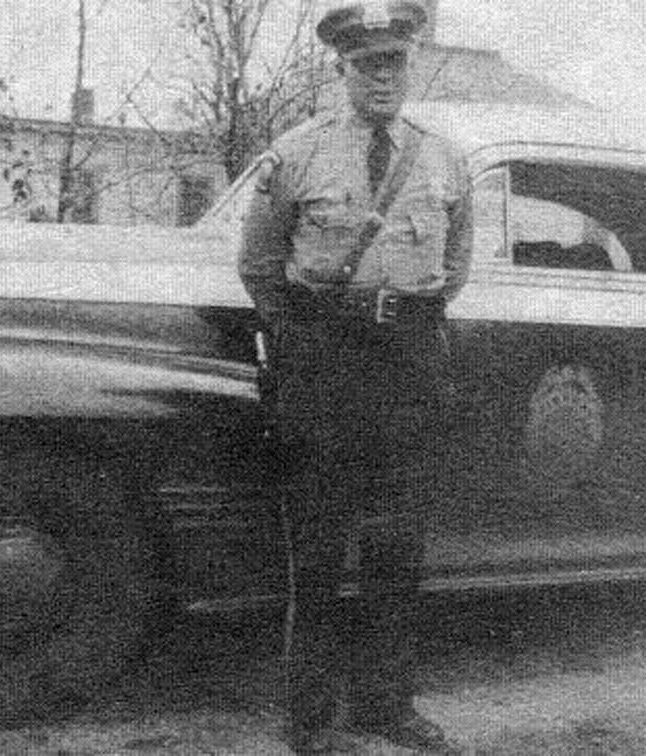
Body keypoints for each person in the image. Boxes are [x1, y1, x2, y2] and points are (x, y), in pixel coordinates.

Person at [239, 0, 472, 752]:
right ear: (340, 68)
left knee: (398, 546)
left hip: (407, 362)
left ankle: (386, 706)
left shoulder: (443, 159)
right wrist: (310, 339)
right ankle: (309, 721)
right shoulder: (298, 154)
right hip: (326, 365)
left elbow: (455, 265)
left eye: (394, 62)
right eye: (366, 64)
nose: (382, 77)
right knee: (318, 546)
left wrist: (398, 318)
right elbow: (260, 267)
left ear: (410, 64)